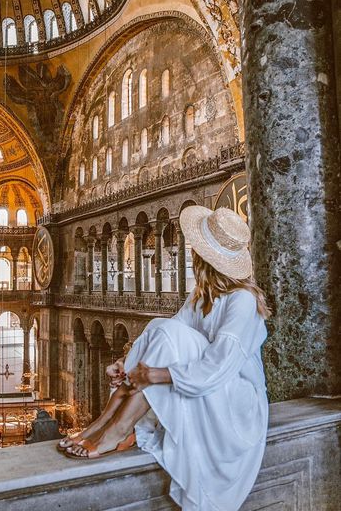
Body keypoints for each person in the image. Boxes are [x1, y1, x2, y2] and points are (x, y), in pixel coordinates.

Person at [62, 206, 270, 511]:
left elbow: (218, 367)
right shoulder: (202, 295)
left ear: (203, 257)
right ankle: (105, 422)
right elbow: (165, 334)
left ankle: (120, 430)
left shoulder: (242, 301)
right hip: (210, 390)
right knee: (160, 325)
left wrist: (156, 375)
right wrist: (128, 364)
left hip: (237, 404)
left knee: (170, 331)